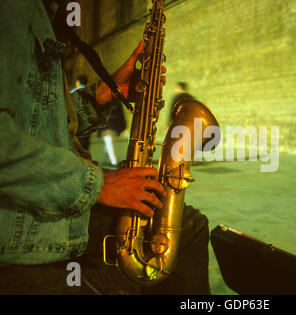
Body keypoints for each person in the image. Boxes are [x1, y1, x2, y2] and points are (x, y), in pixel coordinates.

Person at [0, 0, 210, 294]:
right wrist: (99, 185)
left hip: (32, 207)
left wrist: (101, 93)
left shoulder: (38, 12)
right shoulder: (12, 10)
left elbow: (34, 118)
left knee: (189, 224)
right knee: (183, 233)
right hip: (19, 232)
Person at [97, 99, 127, 167]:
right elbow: (120, 116)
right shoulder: (116, 103)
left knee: (109, 144)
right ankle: (112, 161)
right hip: (111, 128)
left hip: (107, 129)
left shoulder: (101, 103)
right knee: (111, 144)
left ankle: (112, 160)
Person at [71, 75, 91, 151]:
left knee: (78, 140)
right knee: (86, 140)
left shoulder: (75, 92)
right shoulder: (88, 90)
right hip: (88, 120)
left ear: (78, 82)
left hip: (78, 119)